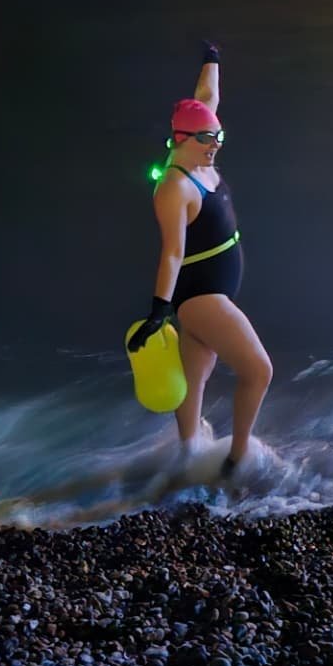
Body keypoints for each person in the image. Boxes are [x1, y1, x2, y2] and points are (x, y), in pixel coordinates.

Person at [126, 45, 272, 474]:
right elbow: (172, 252)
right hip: (201, 294)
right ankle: (238, 459)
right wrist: (159, 311)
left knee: (196, 375)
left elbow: (208, 96)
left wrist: (212, 59)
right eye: (207, 140)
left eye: (219, 137)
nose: (215, 147)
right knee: (258, 371)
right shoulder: (174, 188)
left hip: (215, 286)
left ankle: (187, 454)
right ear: (181, 141)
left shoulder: (201, 140)